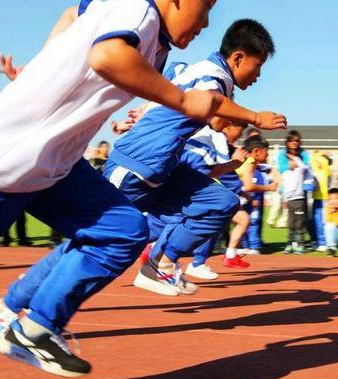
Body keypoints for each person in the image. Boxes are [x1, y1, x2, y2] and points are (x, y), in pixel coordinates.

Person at [0, 0, 222, 376]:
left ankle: (34, 325)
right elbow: (94, 38)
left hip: (67, 161)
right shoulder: (141, 13)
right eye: (207, 6)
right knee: (95, 238)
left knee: (118, 233)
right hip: (17, 154)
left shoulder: (160, 46)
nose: (206, 21)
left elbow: (121, 72)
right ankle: (11, 307)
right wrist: (41, 69)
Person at [102, 19, 285, 297]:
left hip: (162, 169)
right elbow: (209, 101)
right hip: (135, 166)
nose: (258, 75)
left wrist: (143, 111)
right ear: (238, 57)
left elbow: (166, 87)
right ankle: (21, 302)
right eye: (257, 66)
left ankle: (160, 264)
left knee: (220, 201)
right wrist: (257, 117)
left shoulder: (192, 69)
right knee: (99, 246)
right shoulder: (215, 78)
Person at [179, 118, 249, 279]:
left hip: (194, 185)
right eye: (240, 129)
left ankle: (194, 261)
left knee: (217, 222)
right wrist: (237, 189)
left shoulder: (209, 134)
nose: (240, 135)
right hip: (196, 187)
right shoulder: (215, 137)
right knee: (176, 222)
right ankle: (190, 262)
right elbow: (220, 171)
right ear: (229, 124)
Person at [239, 136, 278, 254]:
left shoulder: (245, 160)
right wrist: (269, 188)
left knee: (243, 222)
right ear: (256, 151)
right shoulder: (250, 162)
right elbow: (249, 186)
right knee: (245, 221)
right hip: (232, 197)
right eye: (266, 152)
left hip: (237, 197)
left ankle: (236, 249)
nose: (267, 155)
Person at [282, 153, 310, 254]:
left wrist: (294, 157)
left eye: (292, 160)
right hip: (289, 202)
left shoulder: (300, 171)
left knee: (299, 224)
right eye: (289, 161)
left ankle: (300, 244)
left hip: (299, 201)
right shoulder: (285, 173)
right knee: (291, 224)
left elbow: (304, 166)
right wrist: (284, 200)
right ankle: (290, 244)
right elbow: (284, 188)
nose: (290, 162)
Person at [311, 151, 332, 251]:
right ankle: (319, 241)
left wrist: (318, 153)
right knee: (317, 221)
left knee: (321, 221)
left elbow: (314, 158)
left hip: (323, 198)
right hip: (317, 197)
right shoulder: (321, 167)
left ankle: (323, 242)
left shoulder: (324, 165)